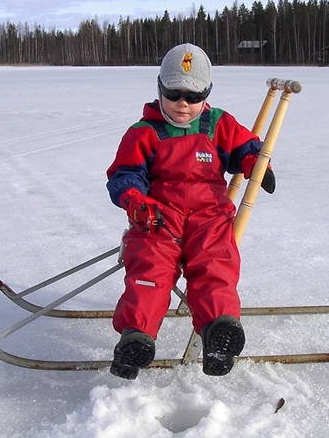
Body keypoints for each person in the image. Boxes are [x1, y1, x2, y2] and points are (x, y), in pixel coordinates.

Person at [106, 43, 275, 380]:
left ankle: (218, 333)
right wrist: (135, 201)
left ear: (206, 95)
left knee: (215, 267)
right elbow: (124, 176)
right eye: (174, 94)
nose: (183, 104)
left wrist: (254, 162)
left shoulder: (217, 124)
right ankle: (136, 337)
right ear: (160, 89)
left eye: (193, 97)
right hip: (159, 220)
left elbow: (246, 146)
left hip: (208, 218)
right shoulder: (145, 133)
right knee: (150, 272)